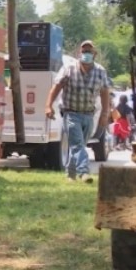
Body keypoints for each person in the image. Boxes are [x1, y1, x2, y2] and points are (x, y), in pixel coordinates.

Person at [44, 39, 113, 183]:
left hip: (88, 115)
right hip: (71, 113)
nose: (86, 53)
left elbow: (105, 92)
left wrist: (105, 114)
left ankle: (71, 175)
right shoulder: (69, 68)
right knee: (77, 144)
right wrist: (48, 105)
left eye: (89, 51)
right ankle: (84, 172)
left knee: (79, 146)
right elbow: (56, 87)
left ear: (94, 54)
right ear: (79, 53)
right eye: (84, 51)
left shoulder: (100, 71)